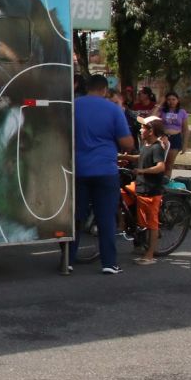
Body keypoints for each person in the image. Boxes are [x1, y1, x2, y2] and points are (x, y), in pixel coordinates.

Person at [71, 74, 136, 275]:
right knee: (106, 218)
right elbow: (127, 143)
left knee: (76, 217)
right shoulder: (113, 109)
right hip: (105, 170)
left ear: (87, 87)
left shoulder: (73, 105)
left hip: (78, 169)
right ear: (104, 90)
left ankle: (68, 260)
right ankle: (109, 263)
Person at [120, 116, 168, 266]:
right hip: (139, 186)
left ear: (151, 131)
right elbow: (141, 157)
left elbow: (161, 166)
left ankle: (150, 255)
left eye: (143, 128)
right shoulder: (146, 145)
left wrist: (143, 170)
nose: (140, 130)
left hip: (150, 190)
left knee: (151, 224)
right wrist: (124, 157)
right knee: (121, 195)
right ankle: (126, 226)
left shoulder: (157, 147)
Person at [158, 91, 190, 178]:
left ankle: (166, 181)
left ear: (177, 100)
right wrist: (159, 104)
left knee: (169, 164)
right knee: (160, 163)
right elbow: (150, 117)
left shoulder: (182, 112)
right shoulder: (162, 111)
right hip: (163, 138)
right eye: (169, 99)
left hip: (175, 138)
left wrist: (185, 145)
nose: (171, 101)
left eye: (173, 99)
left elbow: (186, 130)